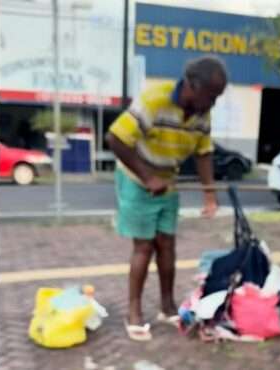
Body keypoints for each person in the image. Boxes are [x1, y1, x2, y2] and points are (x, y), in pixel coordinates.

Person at [105, 55, 228, 341]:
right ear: (191, 85)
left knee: (167, 244)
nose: (214, 103)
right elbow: (115, 138)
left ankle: (167, 306)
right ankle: (133, 311)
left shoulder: (202, 113)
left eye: (217, 97)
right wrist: (148, 177)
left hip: (167, 180)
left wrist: (210, 194)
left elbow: (204, 153)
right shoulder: (154, 100)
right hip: (137, 178)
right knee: (144, 246)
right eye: (211, 95)